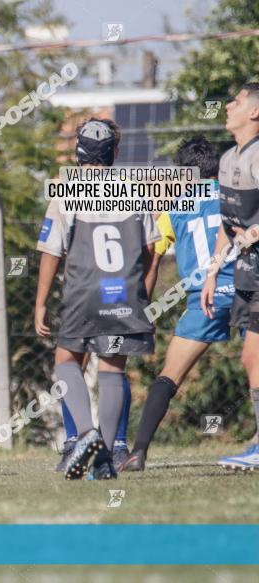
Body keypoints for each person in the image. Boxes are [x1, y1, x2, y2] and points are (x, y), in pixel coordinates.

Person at [35, 118, 159, 480]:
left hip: (82, 289)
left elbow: (50, 251)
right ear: (114, 153)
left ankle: (84, 434)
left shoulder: (66, 187)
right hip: (122, 291)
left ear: (78, 150)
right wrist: (143, 299)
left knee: (66, 361)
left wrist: (40, 302)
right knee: (112, 368)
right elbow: (152, 251)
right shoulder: (134, 188)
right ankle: (105, 460)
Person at [121, 136, 235, 472]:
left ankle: (139, 451)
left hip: (204, 299)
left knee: (168, 377)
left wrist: (145, 310)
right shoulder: (235, 194)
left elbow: (152, 263)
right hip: (246, 292)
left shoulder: (175, 207)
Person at [201, 82, 259, 471]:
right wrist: (212, 271)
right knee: (250, 357)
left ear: (254, 112)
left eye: (236, 102)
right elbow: (227, 225)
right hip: (246, 273)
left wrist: (254, 233)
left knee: (253, 355)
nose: (228, 106)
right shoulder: (226, 160)